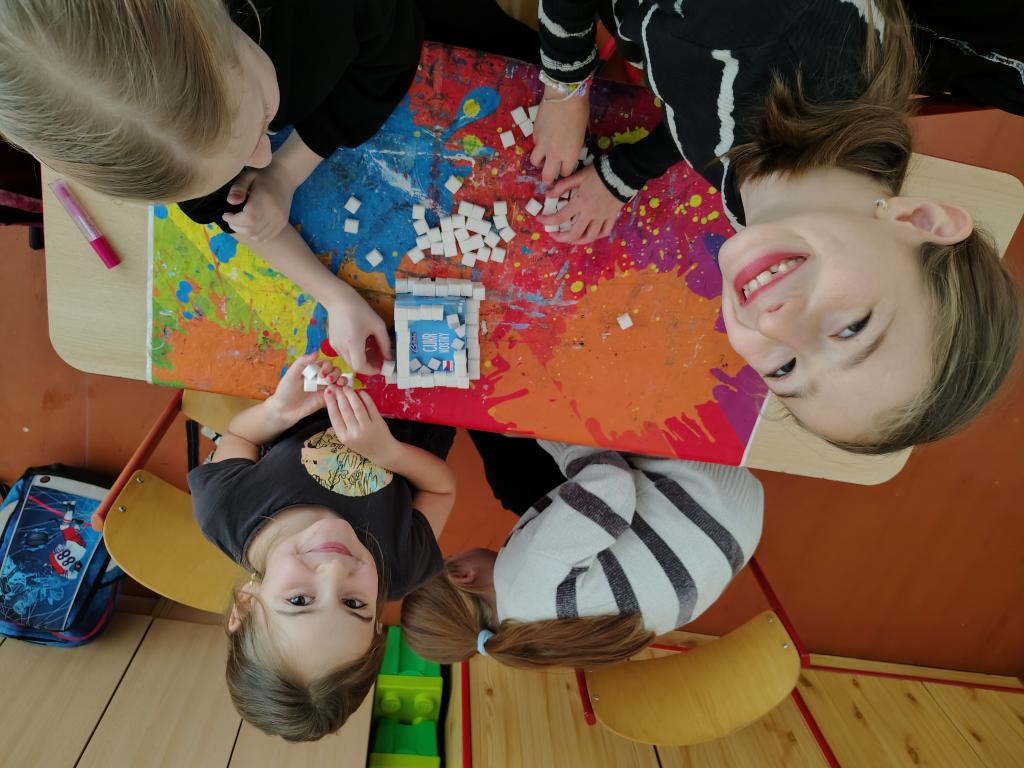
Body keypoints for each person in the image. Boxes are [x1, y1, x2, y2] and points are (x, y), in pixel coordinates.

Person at [529, 0, 1022, 454]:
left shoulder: (805, 192)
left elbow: (709, 107)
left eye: (784, 368)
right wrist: (565, 89)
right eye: (852, 328)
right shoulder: (749, 23)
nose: (773, 323)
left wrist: (622, 175)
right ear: (919, 221)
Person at [0, 0, 538, 373]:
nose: (262, 157)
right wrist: (335, 296)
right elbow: (230, 207)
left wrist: (289, 169)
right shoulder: (159, 145)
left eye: (262, 119)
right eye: (236, 162)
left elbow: (390, 49)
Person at [187, 354, 456, 740]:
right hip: (424, 401)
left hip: (323, 376)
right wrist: (389, 453)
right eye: (354, 604)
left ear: (245, 605)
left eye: (299, 600)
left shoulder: (224, 509)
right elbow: (441, 489)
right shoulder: (400, 567)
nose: (334, 571)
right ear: (378, 624)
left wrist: (277, 411)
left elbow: (240, 437)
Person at [401, 438, 763, 668]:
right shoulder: (522, 576)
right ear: (463, 575)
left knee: (516, 485)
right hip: (712, 485)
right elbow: (610, 481)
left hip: (737, 534)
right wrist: (546, 431)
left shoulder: (542, 639)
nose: (456, 552)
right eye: (449, 558)